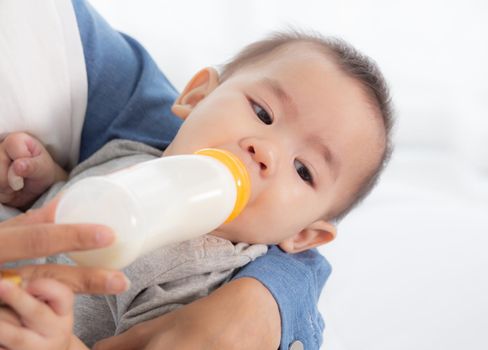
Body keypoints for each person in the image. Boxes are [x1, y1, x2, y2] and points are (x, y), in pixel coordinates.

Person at [0, 26, 393, 350]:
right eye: (262, 113)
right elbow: (77, 212)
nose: (266, 153)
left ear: (304, 235)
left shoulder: (203, 285)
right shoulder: (130, 152)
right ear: (196, 95)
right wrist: (42, 186)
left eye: (303, 170)